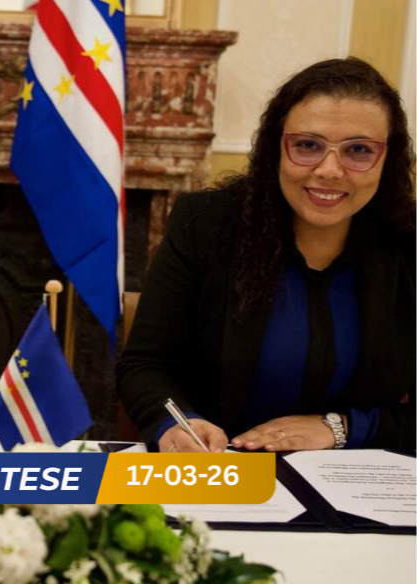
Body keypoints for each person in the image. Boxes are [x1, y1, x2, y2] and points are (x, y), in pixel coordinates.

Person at [117, 57, 417, 453]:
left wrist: (342, 428)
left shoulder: (409, 245)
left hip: (355, 478)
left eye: (359, 150)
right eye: (307, 145)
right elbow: (145, 365)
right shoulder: (204, 225)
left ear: (388, 160)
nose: (329, 170)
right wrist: (178, 424)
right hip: (221, 467)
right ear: (276, 148)